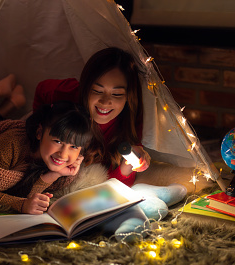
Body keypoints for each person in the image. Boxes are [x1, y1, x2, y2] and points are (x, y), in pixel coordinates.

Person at [33, 47, 187, 240]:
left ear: (128, 97)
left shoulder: (127, 121)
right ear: (85, 88)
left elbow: (117, 184)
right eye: (97, 91)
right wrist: (41, 130)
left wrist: (127, 167)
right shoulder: (67, 95)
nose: (105, 102)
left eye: (117, 94)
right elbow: (42, 89)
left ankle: (156, 197)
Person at [0, 101, 93, 214]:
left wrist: (54, 174)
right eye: (58, 141)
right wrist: (21, 205)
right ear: (39, 133)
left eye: (74, 147)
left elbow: (27, 194)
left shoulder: (67, 170)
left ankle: (10, 100)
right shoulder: (11, 143)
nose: (63, 154)